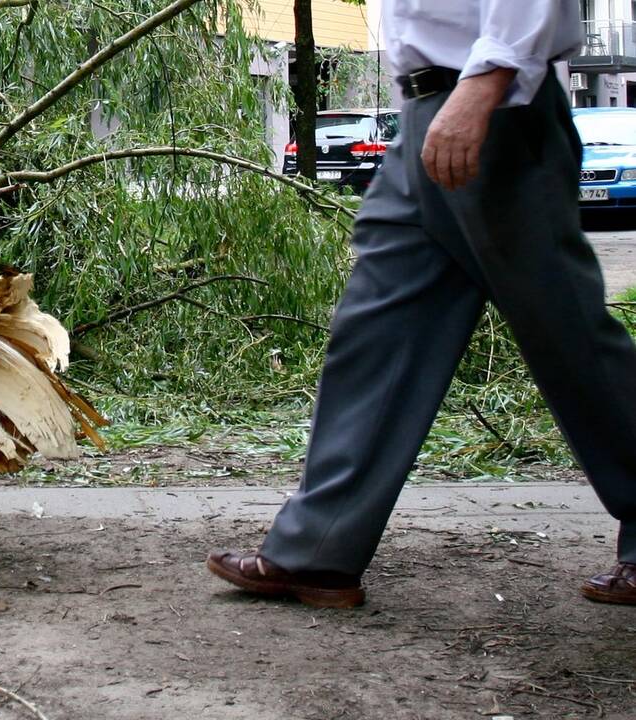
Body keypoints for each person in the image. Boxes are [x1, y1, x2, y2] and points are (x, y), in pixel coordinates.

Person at [207, 0, 636, 608]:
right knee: (377, 332)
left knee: (568, 339)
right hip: (424, 115)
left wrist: (482, 86)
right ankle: (319, 550)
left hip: (495, 112)